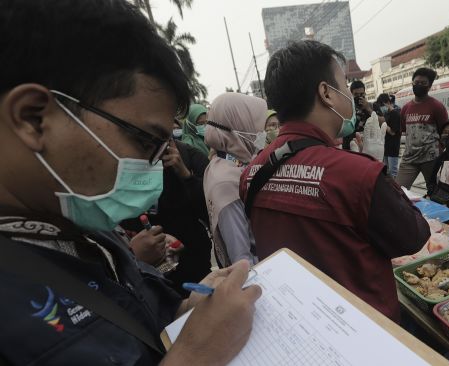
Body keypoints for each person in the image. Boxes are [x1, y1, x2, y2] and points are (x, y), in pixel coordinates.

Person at [0, 1, 260, 364]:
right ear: (33, 118)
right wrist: (196, 354)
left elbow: (139, 313)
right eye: (145, 142)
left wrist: (188, 307)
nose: (154, 167)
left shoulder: (86, 227)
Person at [240, 40, 430, 322]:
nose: (349, 95)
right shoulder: (356, 174)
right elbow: (414, 236)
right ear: (326, 93)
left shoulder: (252, 171)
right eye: (344, 83)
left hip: (296, 321)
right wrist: (377, 171)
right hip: (363, 330)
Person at [121, 138, 213, 294]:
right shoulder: (126, 162)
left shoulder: (191, 156)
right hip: (147, 268)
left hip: (193, 261)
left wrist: (185, 175)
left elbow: (209, 210)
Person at [204, 93, 265, 266]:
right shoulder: (227, 182)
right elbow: (242, 258)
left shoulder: (226, 164)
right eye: (257, 128)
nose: (262, 134)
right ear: (238, 128)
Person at [396, 67, 449, 190]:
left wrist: (441, 152)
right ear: (412, 84)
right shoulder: (405, 108)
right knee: (398, 191)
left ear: (429, 86)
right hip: (409, 159)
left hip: (431, 159)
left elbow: (445, 132)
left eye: (423, 83)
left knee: (435, 192)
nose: (419, 85)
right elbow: (404, 130)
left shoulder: (437, 106)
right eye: (416, 82)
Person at [378, 93, 401, 178]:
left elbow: (392, 132)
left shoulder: (395, 114)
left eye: (382, 105)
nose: (381, 108)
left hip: (393, 147)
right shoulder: (386, 115)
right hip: (386, 147)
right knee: (386, 171)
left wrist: (383, 123)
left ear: (388, 102)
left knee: (393, 171)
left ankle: (395, 190)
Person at [342, 80, 370, 150]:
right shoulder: (346, 107)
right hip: (350, 145)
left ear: (365, 93)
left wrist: (368, 108)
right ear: (351, 94)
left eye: (361, 94)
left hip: (367, 145)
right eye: (356, 94)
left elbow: (382, 122)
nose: (359, 97)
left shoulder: (372, 106)